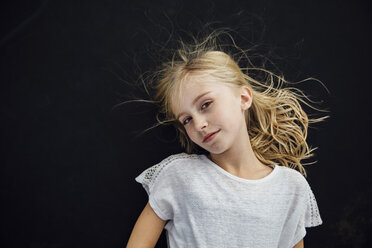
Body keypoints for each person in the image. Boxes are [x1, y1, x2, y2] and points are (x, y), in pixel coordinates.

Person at [125, 29, 328, 248]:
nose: (199, 124)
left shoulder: (291, 187)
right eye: (186, 120)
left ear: (243, 97)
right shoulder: (178, 175)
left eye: (206, 105)